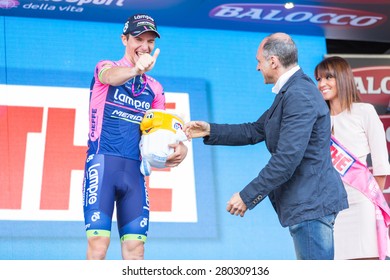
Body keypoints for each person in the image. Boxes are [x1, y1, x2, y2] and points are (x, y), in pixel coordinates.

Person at [184, 32, 348, 260]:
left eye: (259, 61)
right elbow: (254, 130)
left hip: (312, 205)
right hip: (307, 204)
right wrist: (210, 130)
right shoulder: (292, 91)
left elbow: (287, 160)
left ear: (273, 61)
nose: (257, 68)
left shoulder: (299, 94)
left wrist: (246, 196)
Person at [82, 13, 188, 260]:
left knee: (136, 251)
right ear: (124, 39)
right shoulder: (105, 68)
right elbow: (109, 76)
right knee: (98, 244)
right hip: (102, 163)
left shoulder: (155, 88)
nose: (145, 46)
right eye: (138, 39)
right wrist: (133, 70)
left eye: (150, 41)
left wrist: (181, 146)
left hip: (135, 172)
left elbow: (162, 132)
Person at [314, 56, 390, 260]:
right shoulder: (318, 120)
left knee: (367, 261)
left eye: (328, 77)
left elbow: (382, 164)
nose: (322, 84)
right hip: (331, 207)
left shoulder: (364, 111)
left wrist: (371, 198)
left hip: (361, 202)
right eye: (319, 79)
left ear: (343, 77)